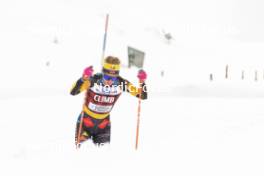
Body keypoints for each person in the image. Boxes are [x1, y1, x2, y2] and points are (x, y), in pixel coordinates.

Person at [70, 56, 148, 147]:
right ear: (103, 73)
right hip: (85, 122)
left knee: (103, 156)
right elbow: (73, 92)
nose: (109, 81)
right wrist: (83, 78)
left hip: (103, 125)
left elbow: (143, 95)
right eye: (107, 77)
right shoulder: (94, 80)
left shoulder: (121, 83)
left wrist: (142, 82)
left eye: (113, 78)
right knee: (81, 153)